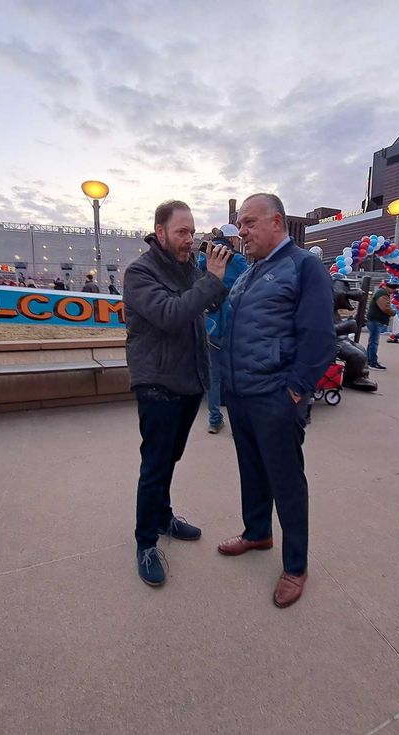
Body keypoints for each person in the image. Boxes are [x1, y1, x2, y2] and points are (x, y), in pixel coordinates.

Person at [217, 193, 335, 609]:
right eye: (240, 224)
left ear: (277, 222)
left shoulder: (305, 266)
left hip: (275, 396)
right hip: (241, 393)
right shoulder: (252, 270)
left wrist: (295, 390)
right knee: (251, 470)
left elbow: (321, 337)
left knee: (286, 482)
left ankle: (296, 565)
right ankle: (257, 532)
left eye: (249, 222)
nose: (242, 231)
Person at [123, 200, 232, 588]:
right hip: (157, 384)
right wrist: (209, 281)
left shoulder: (188, 267)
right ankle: (145, 542)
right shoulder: (140, 272)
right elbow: (170, 314)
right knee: (154, 466)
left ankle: (163, 516)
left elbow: (206, 305)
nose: (190, 239)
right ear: (161, 231)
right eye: (182, 232)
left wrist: (218, 281)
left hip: (188, 381)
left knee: (170, 459)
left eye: (193, 231)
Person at [197, 223, 248, 434]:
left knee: (214, 375)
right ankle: (239, 424)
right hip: (233, 323)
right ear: (233, 239)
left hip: (209, 321)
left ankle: (214, 419)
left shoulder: (203, 257)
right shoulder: (237, 260)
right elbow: (249, 284)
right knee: (238, 374)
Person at [366, 279, 398, 370]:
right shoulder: (382, 294)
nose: (394, 291)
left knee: (372, 341)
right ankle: (373, 362)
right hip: (376, 320)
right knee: (374, 342)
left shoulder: (382, 292)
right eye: (394, 289)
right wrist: (393, 312)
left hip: (374, 320)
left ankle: (369, 360)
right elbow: (385, 308)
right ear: (390, 288)